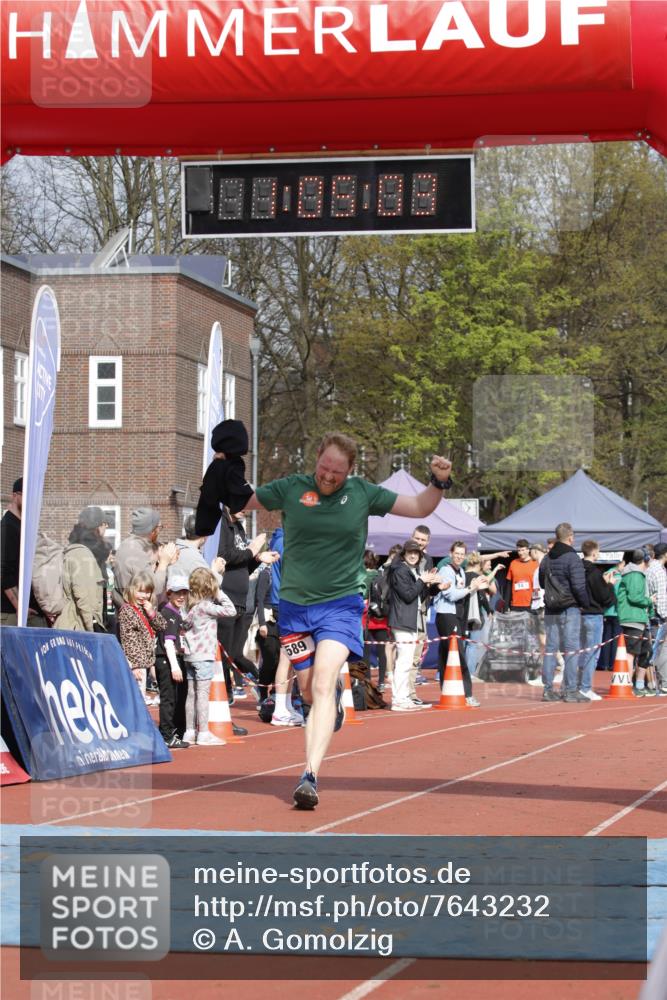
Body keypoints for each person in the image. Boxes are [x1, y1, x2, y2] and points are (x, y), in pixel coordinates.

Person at [239, 430, 454, 809]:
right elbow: (244, 499)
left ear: (350, 470)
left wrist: (438, 481)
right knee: (308, 691)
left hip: (339, 605)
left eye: (337, 472)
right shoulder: (292, 488)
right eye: (324, 467)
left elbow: (420, 507)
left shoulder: (362, 494)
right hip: (295, 609)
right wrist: (224, 467)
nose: (328, 476)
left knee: (323, 683)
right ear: (316, 459)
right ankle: (329, 703)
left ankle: (309, 775)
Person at [182, 567, 236, 745]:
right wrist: (218, 593)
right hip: (204, 655)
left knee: (191, 694)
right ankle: (203, 733)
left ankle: (189, 731)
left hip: (190, 655)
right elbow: (231, 610)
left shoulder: (189, 606)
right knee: (203, 694)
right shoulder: (206, 606)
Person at [538, 522, 590, 703]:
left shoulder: (547, 558)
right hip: (569, 607)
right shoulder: (572, 558)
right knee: (571, 649)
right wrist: (585, 604)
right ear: (570, 537)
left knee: (550, 649)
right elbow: (578, 586)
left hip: (551, 607)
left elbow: (542, 583)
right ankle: (570, 690)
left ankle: (548, 689)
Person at [387, 539, 441, 712]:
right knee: (403, 661)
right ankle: (398, 699)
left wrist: (436, 585)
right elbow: (408, 595)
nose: (413, 555)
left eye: (416, 553)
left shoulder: (414, 570)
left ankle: (403, 697)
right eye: (410, 552)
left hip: (412, 620)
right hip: (402, 620)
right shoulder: (400, 570)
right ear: (404, 554)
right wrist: (422, 580)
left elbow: (421, 594)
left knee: (408, 661)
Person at [433, 541, 486, 707]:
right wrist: (470, 588)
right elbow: (451, 595)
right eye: (457, 553)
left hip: (458, 616)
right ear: (451, 554)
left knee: (448, 654)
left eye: (462, 554)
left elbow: (463, 592)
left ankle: (448, 691)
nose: (459, 557)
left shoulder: (462, 571)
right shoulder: (445, 570)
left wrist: (475, 587)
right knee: (457, 654)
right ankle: (467, 693)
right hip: (446, 616)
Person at [54, 507, 110, 632]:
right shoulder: (83, 554)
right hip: (79, 626)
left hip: (77, 623)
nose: (106, 527)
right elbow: (84, 597)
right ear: (97, 526)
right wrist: (93, 629)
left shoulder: (82, 551)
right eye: (104, 523)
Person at [0, 477, 46, 627]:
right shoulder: (7, 527)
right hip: (13, 613)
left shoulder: (22, 526)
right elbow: (4, 572)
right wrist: (20, 606)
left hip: (28, 611)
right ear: (15, 496)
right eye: (28, 496)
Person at [117, 570, 168, 703]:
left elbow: (162, 626)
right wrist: (134, 665)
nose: (143, 596)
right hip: (136, 662)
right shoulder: (128, 610)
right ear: (132, 590)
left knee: (139, 695)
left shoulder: (146, 608)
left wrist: (152, 613)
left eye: (147, 592)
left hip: (146, 661)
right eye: (140, 591)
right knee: (137, 698)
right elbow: (128, 639)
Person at [113, 507, 178, 609]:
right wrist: (164, 562)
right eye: (159, 527)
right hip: (134, 614)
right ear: (152, 531)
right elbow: (154, 588)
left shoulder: (128, 544)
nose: (159, 531)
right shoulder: (135, 552)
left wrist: (158, 560)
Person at [155, 574, 191, 749]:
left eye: (184, 593)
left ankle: (172, 731)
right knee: (168, 699)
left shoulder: (176, 613)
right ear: (169, 593)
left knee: (175, 698)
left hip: (173, 659)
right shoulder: (168, 613)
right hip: (166, 660)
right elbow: (168, 643)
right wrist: (175, 667)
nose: (181, 596)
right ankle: (166, 735)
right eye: (177, 593)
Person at [578, 540, 617, 700]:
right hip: (593, 614)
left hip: (578, 614)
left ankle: (575, 686)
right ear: (594, 553)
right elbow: (605, 598)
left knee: (579, 652)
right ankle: (585, 687)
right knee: (592, 653)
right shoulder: (594, 573)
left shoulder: (576, 569)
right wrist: (609, 585)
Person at [616, 549, 655, 696]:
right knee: (632, 652)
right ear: (646, 560)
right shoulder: (635, 574)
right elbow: (634, 597)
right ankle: (628, 684)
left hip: (639, 617)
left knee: (647, 651)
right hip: (632, 618)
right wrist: (649, 601)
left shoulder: (638, 574)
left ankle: (639, 684)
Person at [645, 543, 667, 693]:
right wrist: (665, 617)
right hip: (659, 616)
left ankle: (651, 682)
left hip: (650, 614)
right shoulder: (659, 571)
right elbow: (661, 598)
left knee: (652, 649)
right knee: (661, 649)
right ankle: (663, 682)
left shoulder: (649, 568)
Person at [506, 539, 538, 612]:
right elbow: (508, 585)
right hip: (515, 604)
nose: (520, 553)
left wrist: (536, 601)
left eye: (523, 550)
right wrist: (506, 605)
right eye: (519, 550)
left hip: (531, 603)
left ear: (528, 550)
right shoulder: (513, 563)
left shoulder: (536, 563)